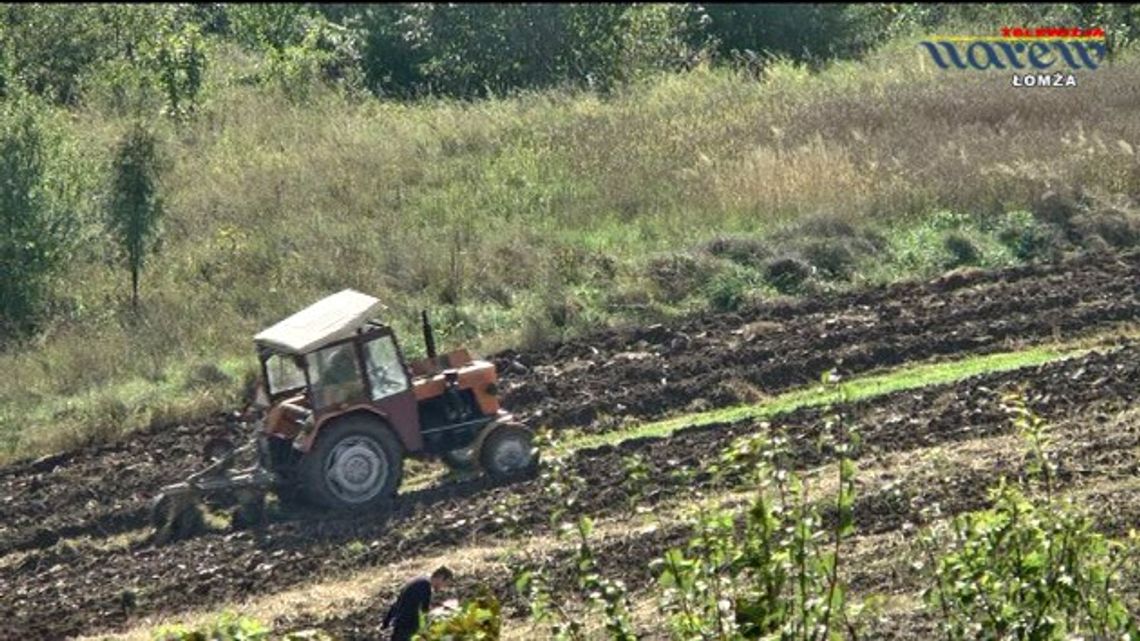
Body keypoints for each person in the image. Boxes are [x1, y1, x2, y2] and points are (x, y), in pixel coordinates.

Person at [382, 566, 454, 641]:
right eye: (445, 584)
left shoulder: (419, 581)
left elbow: (398, 603)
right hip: (405, 627)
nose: (443, 588)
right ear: (441, 577)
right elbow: (424, 611)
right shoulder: (424, 585)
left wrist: (386, 622)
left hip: (400, 625)